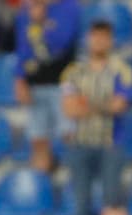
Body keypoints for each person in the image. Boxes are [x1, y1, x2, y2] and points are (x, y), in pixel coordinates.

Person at [61, 19, 132, 215]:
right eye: (95, 37)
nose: (99, 41)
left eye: (104, 37)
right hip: (79, 143)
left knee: (111, 200)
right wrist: (103, 104)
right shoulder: (73, 71)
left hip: (111, 143)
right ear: (88, 39)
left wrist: (86, 102)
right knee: (80, 202)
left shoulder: (122, 71)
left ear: (110, 40)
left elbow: (119, 106)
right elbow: (70, 109)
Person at [15, 0, 80, 173]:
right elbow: (22, 46)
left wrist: (40, 22)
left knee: (70, 134)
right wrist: (19, 79)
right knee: (38, 139)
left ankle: (77, 178)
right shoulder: (27, 8)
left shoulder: (69, 6)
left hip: (64, 83)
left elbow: (61, 44)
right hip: (35, 85)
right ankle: (41, 179)